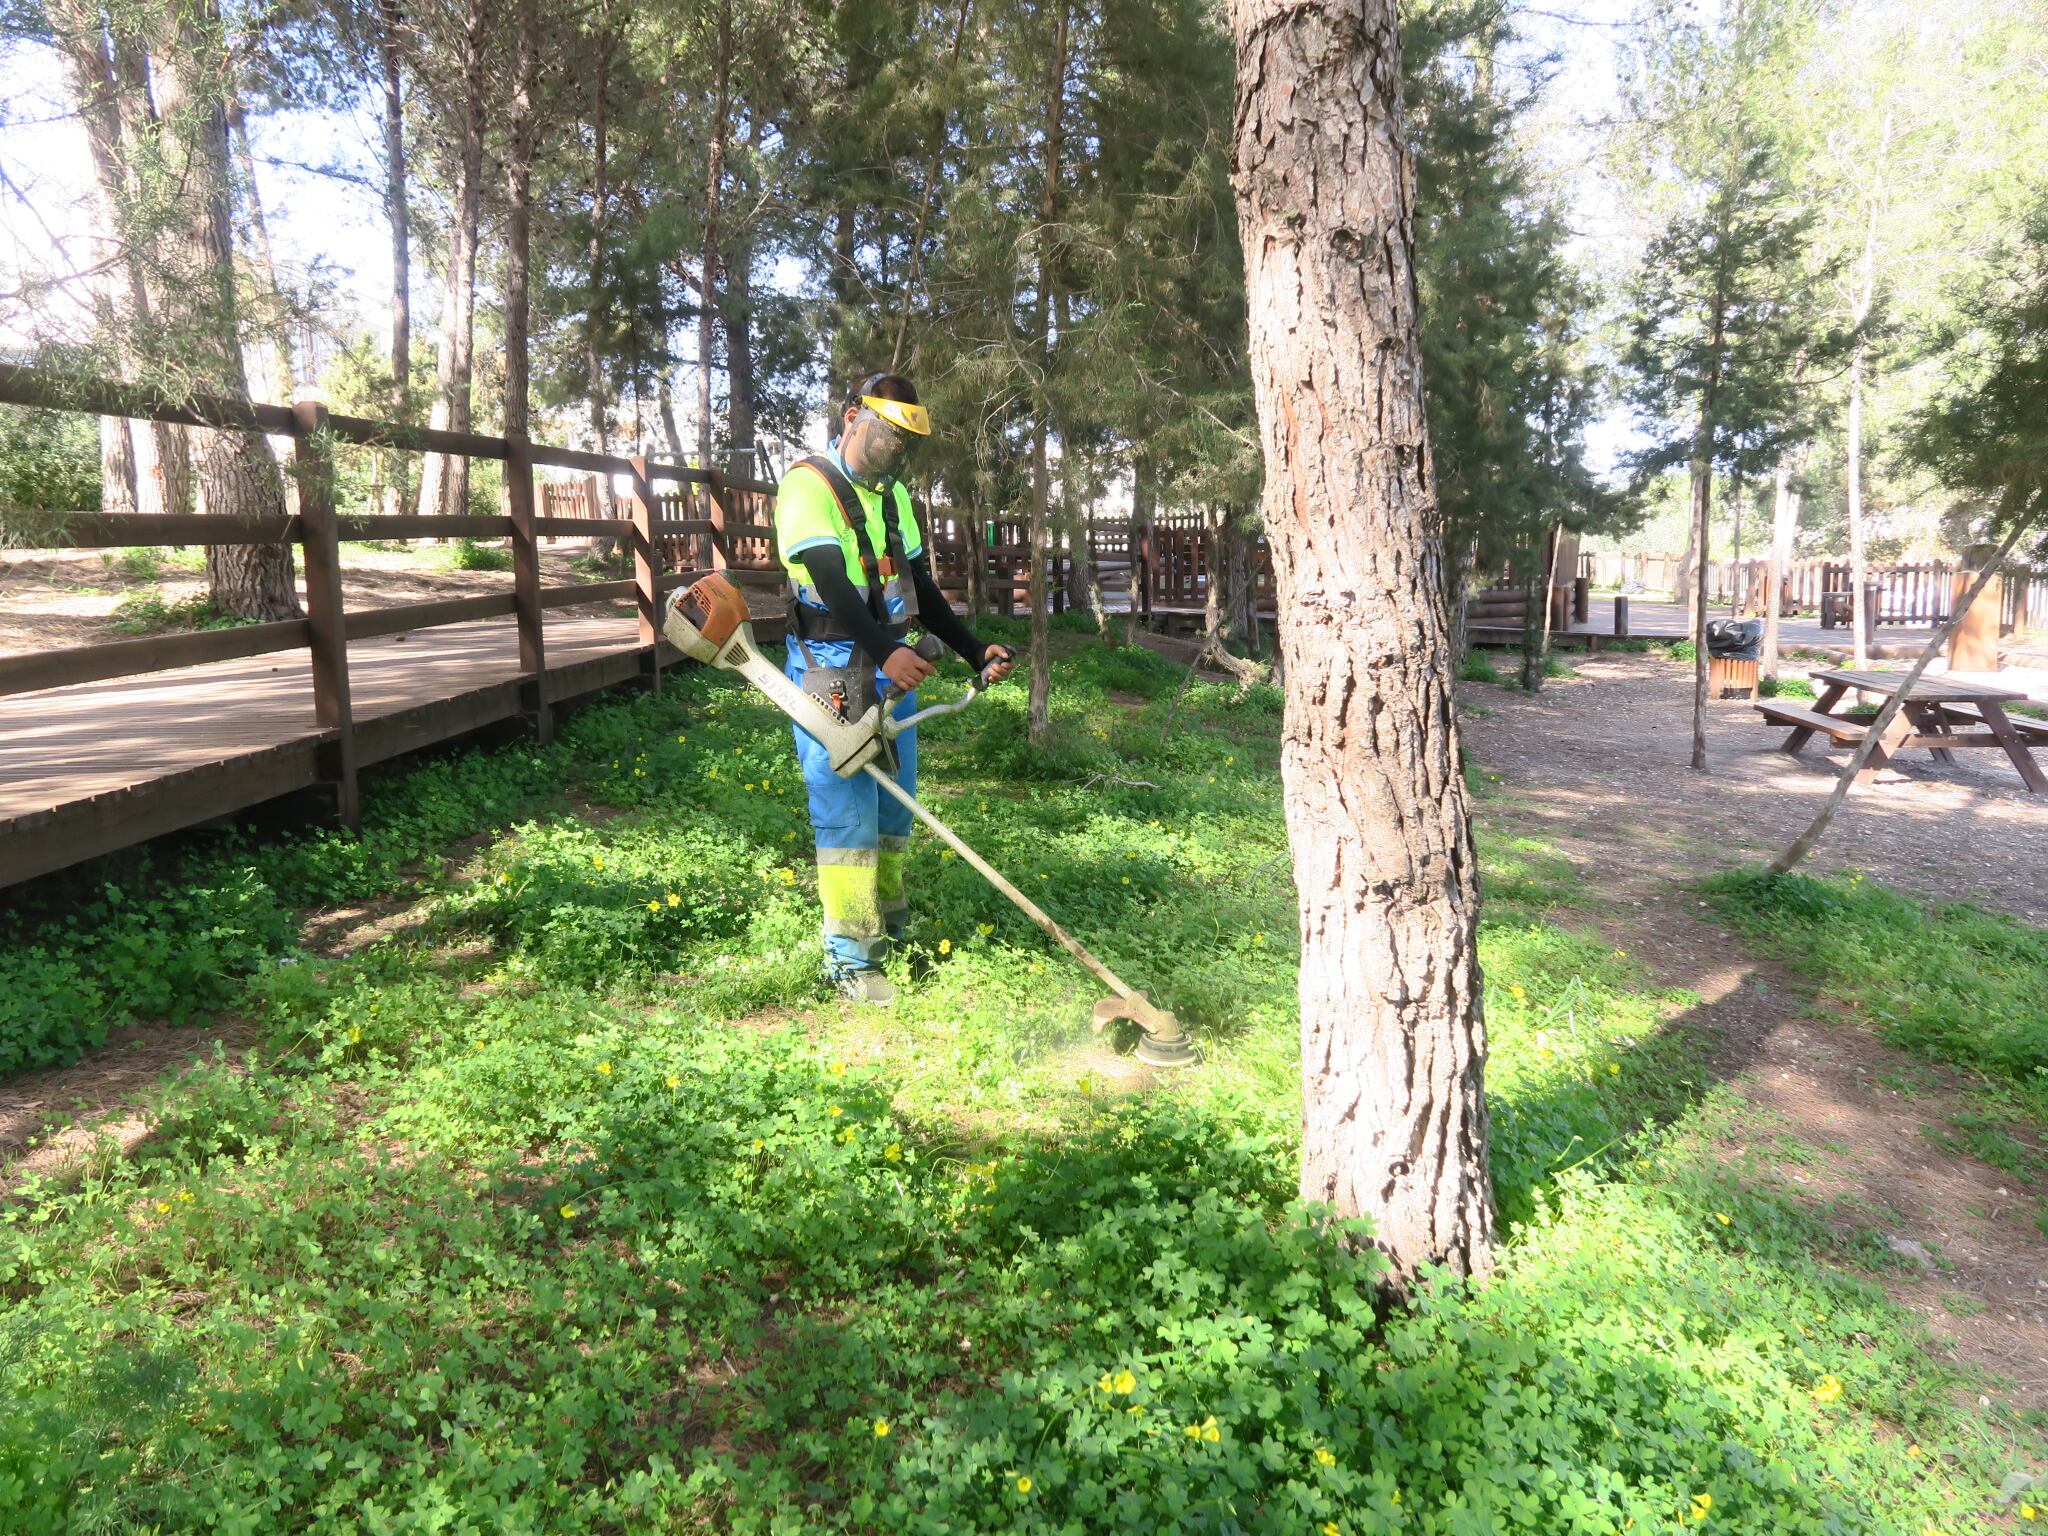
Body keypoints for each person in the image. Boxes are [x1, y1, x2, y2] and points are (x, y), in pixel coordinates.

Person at [773, 371, 1014, 1004]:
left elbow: (917, 586)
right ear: (853, 417)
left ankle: (892, 927)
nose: (892, 451)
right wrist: (886, 650)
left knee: (892, 807)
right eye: (886, 435)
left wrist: (970, 649)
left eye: (904, 443)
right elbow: (829, 578)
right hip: (832, 664)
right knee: (846, 807)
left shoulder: (893, 497)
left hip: (890, 660)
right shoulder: (808, 484)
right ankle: (851, 955)